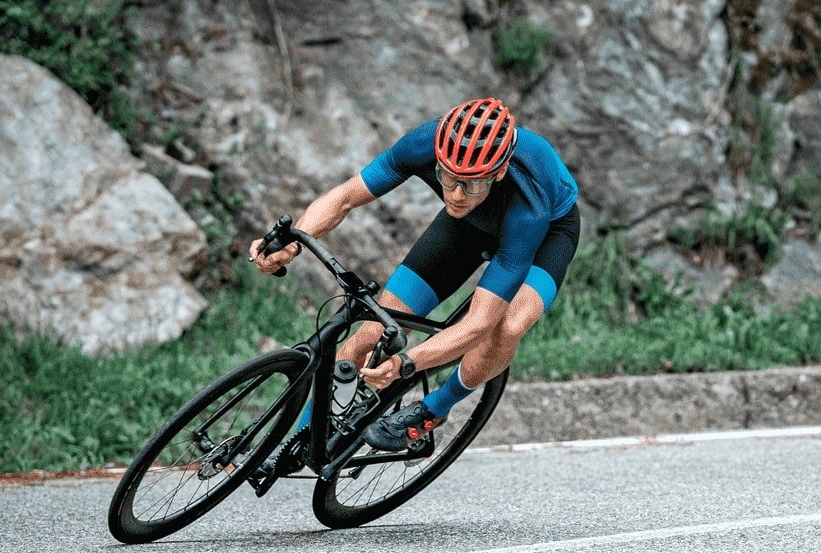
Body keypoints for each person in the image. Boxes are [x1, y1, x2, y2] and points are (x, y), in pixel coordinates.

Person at [249, 97, 580, 452]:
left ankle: (434, 408)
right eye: (447, 178)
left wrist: (406, 363)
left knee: (507, 325)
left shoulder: (529, 207)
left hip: (548, 233)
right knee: (369, 334)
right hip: (467, 226)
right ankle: (298, 444)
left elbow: (478, 324)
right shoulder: (425, 144)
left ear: (498, 173)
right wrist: (291, 245)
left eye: (470, 184)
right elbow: (345, 197)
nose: (453, 194)